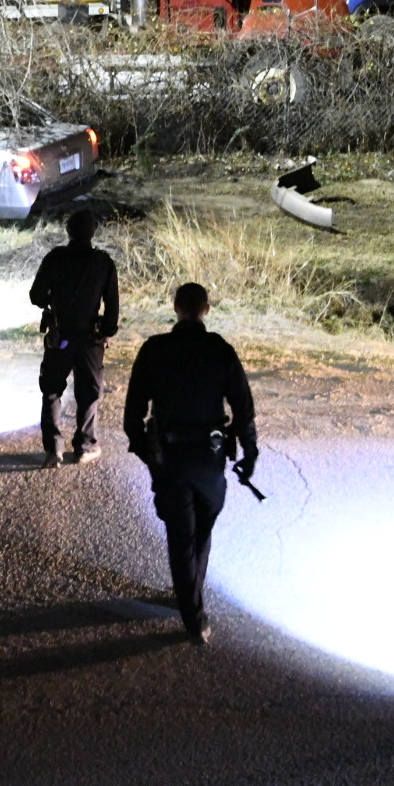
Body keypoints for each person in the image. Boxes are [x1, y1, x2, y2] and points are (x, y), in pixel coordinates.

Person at [123, 283, 258, 645]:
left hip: (169, 458)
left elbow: (132, 413)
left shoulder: (154, 350)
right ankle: (191, 602)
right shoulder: (220, 350)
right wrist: (250, 452)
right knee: (201, 531)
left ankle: (193, 613)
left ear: (175, 307)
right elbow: (243, 408)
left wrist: (145, 453)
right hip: (210, 459)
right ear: (206, 309)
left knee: (182, 537)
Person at [29, 209, 119, 468]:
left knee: (52, 390)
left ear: (68, 231)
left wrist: (52, 302)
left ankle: (53, 450)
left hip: (60, 336)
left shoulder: (55, 258)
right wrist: (107, 332)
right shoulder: (103, 262)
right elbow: (111, 306)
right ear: (92, 233)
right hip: (90, 338)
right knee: (89, 393)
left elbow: (36, 295)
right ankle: (85, 446)